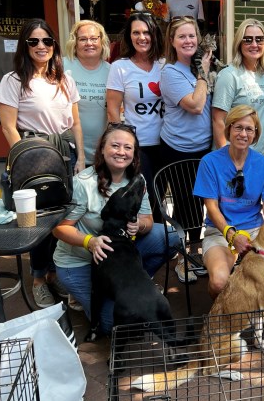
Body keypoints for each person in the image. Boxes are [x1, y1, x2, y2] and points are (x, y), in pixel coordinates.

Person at [52, 123, 180, 333]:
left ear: (134, 153)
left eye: (128, 147)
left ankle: (135, 285)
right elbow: (59, 229)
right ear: (102, 149)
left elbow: (148, 220)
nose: (121, 152)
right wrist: (90, 242)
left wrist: (139, 225)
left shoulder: (137, 180)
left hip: (117, 258)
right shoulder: (83, 183)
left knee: (170, 236)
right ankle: (78, 293)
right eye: (115, 145)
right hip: (80, 261)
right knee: (113, 326)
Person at [193, 105, 264, 351]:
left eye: (249, 129)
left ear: (256, 134)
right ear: (228, 129)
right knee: (219, 282)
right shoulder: (210, 162)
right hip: (220, 231)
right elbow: (212, 208)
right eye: (238, 127)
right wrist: (231, 235)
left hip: (256, 231)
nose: (243, 134)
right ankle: (231, 321)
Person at [0, 18, 85, 308]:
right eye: (33, 41)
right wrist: (24, 160)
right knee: (38, 219)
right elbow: (8, 127)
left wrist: (82, 158)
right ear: (25, 45)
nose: (41, 46)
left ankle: (55, 273)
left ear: (54, 45)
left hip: (64, 152)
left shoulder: (64, 79)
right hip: (33, 152)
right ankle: (38, 279)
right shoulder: (13, 80)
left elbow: (75, 122)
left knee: (63, 215)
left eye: (46, 40)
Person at [160, 15, 213, 283]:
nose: (188, 40)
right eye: (182, 36)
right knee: (185, 203)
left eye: (192, 35)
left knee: (201, 202)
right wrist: (203, 74)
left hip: (205, 148)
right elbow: (195, 105)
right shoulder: (170, 72)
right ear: (172, 41)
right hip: (179, 148)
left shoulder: (201, 67)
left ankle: (196, 250)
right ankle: (184, 257)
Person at [106, 12, 165, 193]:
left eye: (147, 32)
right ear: (129, 36)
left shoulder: (165, 64)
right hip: (139, 145)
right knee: (146, 195)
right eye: (136, 33)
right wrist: (121, 144)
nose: (142, 37)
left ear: (154, 35)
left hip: (167, 141)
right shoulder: (120, 67)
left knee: (161, 194)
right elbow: (113, 110)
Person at [212, 19, 264, 154]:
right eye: (248, 40)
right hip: (232, 154)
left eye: (259, 39)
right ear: (239, 43)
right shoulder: (229, 75)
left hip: (257, 154)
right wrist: (225, 158)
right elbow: (218, 120)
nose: (254, 44)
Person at [64, 20, 111, 165]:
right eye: (83, 39)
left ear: (101, 41)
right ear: (75, 43)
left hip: (103, 151)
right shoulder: (62, 66)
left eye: (94, 38)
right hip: (70, 150)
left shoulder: (111, 71)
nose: (89, 43)